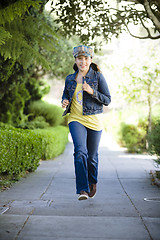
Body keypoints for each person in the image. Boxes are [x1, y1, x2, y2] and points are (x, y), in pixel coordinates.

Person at [61, 45, 111, 200]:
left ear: (91, 60)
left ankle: (92, 182)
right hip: (76, 119)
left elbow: (107, 100)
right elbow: (65, 95)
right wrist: (64, 101)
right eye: (79, 59)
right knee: (80, 152)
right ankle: (82, 189)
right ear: (75, 60)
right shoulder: (70, 78)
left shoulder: (97, 77)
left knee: (92, 156)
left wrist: (92, 92)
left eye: (85, 58)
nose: (82, 62)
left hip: (94, 120)